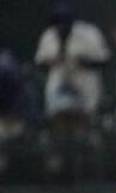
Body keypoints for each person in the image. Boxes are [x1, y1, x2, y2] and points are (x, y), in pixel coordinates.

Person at [33, 1, 109, 134]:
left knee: (82, 131)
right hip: (59, 91)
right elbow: (39, 63)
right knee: (60, 129)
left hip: (84, 90)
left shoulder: (89, 33)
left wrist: (85, 62)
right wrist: (50, 62)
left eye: (65, 21)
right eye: (58, 21)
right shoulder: (49, 36)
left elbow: (104, 60)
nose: (61, 25)